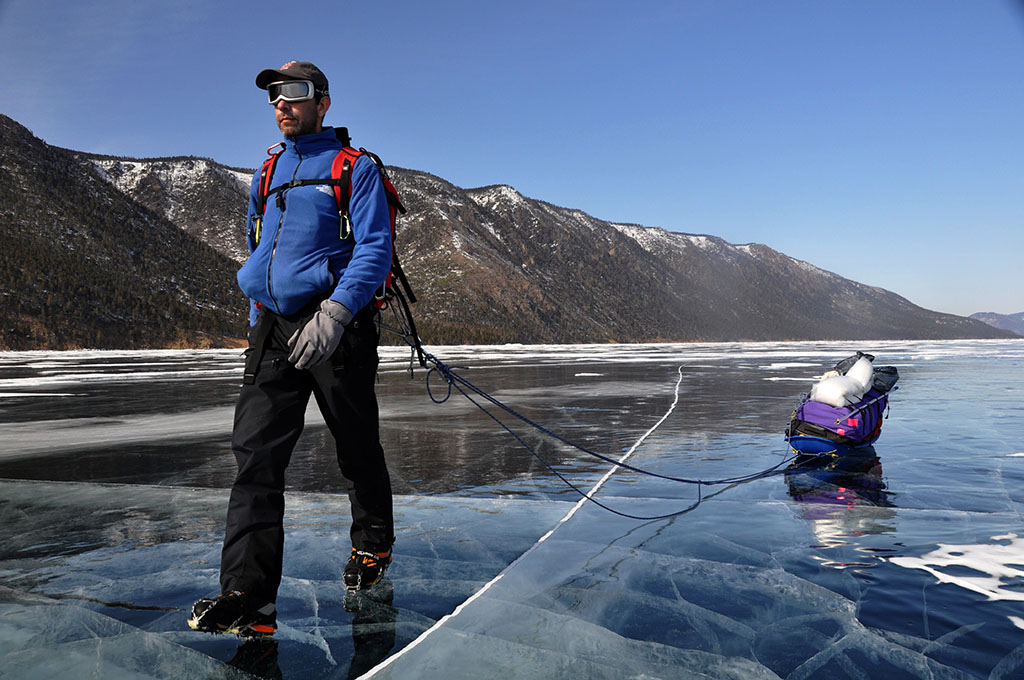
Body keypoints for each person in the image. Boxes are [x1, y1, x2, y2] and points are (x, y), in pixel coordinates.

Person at [189, 61, 395, 637]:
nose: (282, 104)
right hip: (272, 329)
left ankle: (372, 545)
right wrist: (258, 315)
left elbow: (374, 247)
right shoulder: (269, 168)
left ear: (323, 102)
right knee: (255, 457)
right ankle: (247, 596)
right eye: (275, 96)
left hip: (337, 325)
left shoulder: (355, 168)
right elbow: (259, 243)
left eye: (296, 94)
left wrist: (336, 312)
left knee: (356, 444)